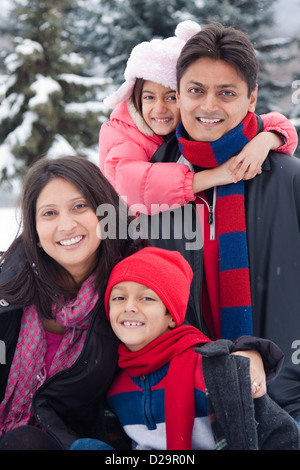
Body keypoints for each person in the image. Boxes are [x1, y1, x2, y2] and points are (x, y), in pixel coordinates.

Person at [135, 23, 300, 425]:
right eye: (195, 90)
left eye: (226, 92)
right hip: (183, 410)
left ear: (251, 98)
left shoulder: (288, 179)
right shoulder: (150, 189)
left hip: (288, 403)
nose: (208, 106)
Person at [70, 247, 300, 450]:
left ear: (171, 315)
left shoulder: (212, 369)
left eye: (146, 299)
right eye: (119, 298)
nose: (129, 307)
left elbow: (282, 434)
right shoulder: (113, 383)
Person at [0, 155, 143, 450]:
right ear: (36, 233)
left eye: (79, 206)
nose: (66, 224)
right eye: (49, 214)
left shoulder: (132, 292)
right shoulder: (8, 291)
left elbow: (179, 341)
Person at [99, 21, 298, 215]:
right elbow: (131, 185)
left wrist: (266, 140)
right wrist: (211, 177)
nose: (159, 108)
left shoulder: (287, 177)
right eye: (149, 97)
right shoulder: (126, 134)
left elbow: (273, 124)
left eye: (169, 97)